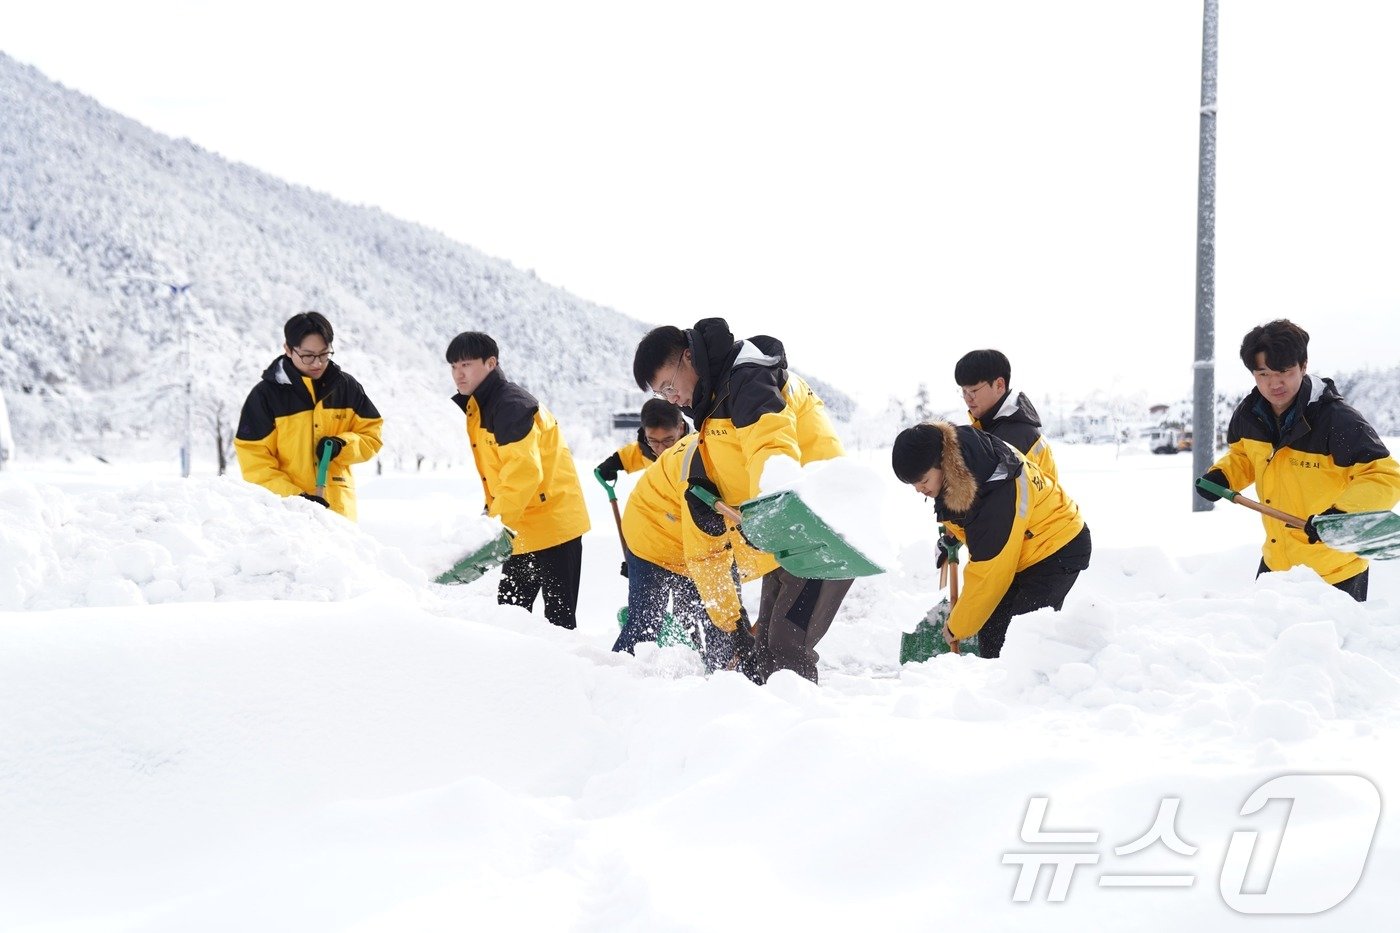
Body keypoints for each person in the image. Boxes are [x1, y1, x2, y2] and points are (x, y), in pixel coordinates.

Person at [632, 317, 848, 683]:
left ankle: (802, 732)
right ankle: (765, 729)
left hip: (821, 527)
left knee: (785, 647)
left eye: (669, 385)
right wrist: (733, 629)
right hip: (787, 534)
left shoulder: (748, 379)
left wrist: (767, 508)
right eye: (661, 394)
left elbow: (771, 446)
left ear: (688, 357)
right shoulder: (709, 426)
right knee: (761, 648)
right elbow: (706, 555)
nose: (672, 399)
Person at [1195, 319, 1400, 601]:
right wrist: (1224, 476)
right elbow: (1244, 455)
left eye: (1284, 372)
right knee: (1265, 640)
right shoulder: (1249, 414)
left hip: (1332, 570)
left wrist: (1343, 514)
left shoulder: (1336, 420)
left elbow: (1385, 476)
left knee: (1320, 645)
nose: (1274, 383)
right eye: (1263, 374)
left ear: (1303, 366)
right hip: (1275, 564)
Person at [892, 422, 1091, 659]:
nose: (918, 489)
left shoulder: (997, 490)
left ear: (943, 464)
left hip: (1058, 547)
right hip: (1027, 547)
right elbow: (965, 508)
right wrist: (954, 531)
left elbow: (990, 572)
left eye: (923, 481)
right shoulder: (963, 457)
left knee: (1020, 638)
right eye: (913, 484)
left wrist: (958, 626)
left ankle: (1049, 685)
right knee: (992, 630)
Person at [448, 331, 590, 629]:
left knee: (559, 623)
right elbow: (503, 474)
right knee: (510, 617)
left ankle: (566, 675)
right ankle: (516, 675)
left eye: (466, 365)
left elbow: (524, 472)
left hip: (555, 526)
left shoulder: (511, 405)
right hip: (522, 527)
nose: (458, 374)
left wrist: (494, 526)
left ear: (490, 363)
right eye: (453, 366)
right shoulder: (482, 406)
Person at [615, 432, 770, 671]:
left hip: (697, 547)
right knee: (646, 622)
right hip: (652, 542)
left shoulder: (753, 465)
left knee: (719, 628)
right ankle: (619, 679)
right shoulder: (704, 476)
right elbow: (713, 560)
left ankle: (723, 680)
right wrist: (735, 626)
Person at [235, 312, 383, 519]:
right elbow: (255, 463)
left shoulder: (346, 388)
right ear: (288, 349)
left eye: (324, 354)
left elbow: (371, 436)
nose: (317, 363)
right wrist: (298, 500)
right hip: (286, 515)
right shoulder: (266, 396)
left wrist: (342, 445)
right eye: (308, 356)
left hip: (338, 512)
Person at [954, 348, 1058, 484]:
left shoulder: (1018, 436)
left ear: (999, 385)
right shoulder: (988, 427)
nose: (967, 398)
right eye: (963, 391)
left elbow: (1000, 498)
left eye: (973, 390)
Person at [594, 398, 690, 482]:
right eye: (653, 441)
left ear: (681, 428)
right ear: (645, 432)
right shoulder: (647, 449)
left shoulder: (696, 449)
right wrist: (612, 464)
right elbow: (633, 454)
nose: (661, 449)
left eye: (668, 440)